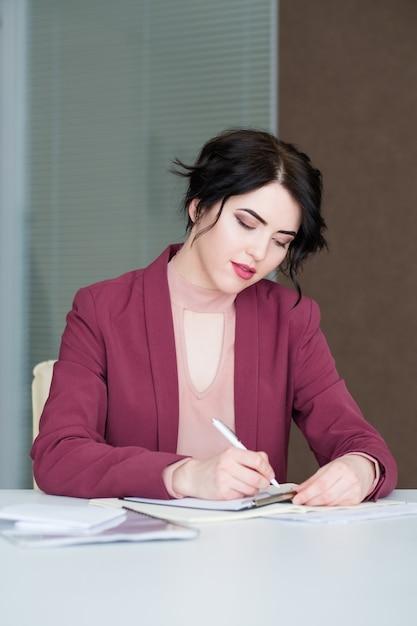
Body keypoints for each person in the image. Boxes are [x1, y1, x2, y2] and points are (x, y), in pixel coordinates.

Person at [31, 128, 397, 505]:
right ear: (198, 206)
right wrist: (185, 475)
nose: (259, 253)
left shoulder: (289, 319)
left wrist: (360, 468)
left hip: (253, 550)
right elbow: (58, 454)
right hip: (135, 553)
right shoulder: (103, 309)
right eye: (246, 223)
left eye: (280, 241)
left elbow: (359, 441)